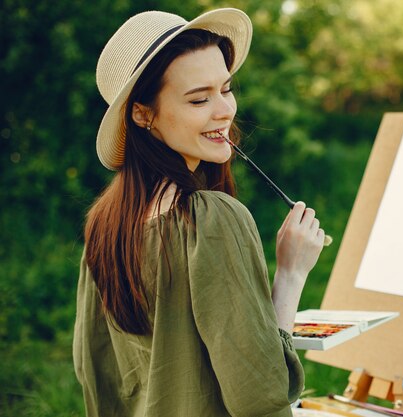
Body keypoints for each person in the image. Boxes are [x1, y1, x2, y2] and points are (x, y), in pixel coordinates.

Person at [72, 8, 325, 417]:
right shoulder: (211, 220)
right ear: (143, 114)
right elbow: (262, 394)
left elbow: (93, 376)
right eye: (199, 98)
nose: (224, 110)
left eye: (225, 89)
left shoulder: (103, 226)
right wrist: (292, 273)